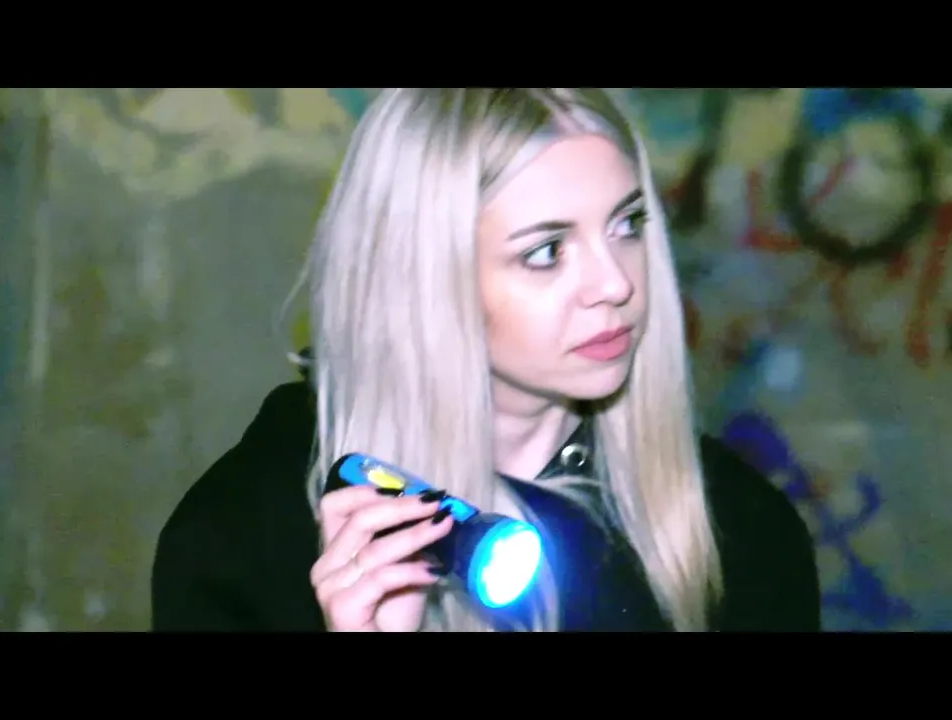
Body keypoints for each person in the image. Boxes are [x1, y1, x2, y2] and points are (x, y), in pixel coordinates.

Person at [151, 88, 820, 632]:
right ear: (420, 276)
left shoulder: (739, 528)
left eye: (627, 225)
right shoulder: (248, 537)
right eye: (547, 251)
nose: (615, 283)